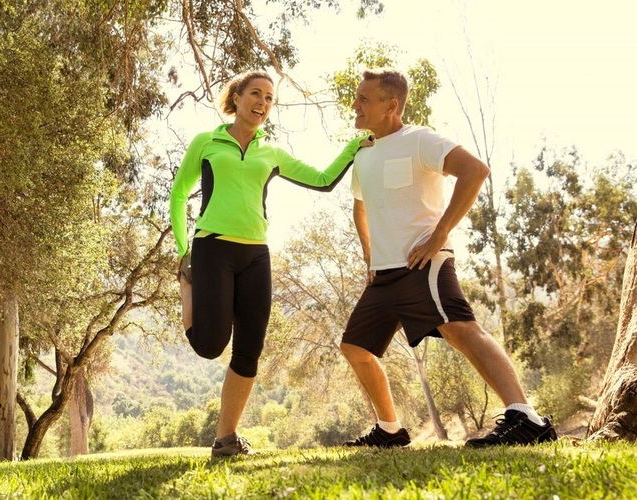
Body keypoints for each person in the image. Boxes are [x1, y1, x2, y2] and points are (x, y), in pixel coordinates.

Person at [338, 69, 557, 448]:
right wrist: (368, 253)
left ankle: (528, 418)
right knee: (355, 347)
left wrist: (439, 234)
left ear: (391, 105)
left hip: (423, 264)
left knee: (460, 329)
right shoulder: (363, 153)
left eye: (363, 99)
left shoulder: (419, 139)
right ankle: (390, 430)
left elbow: (475, 171)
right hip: (384, 273)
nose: (354, 105)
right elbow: (360, 207)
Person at [170, 70, 370, 458]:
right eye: (255, 94)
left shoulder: (271, 152)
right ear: (237, 97)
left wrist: (354, 146)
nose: (262, 103)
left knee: (250, 348)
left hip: (256, 255)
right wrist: (183, 250)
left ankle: (225, 439)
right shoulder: (207, 143)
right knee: (210, 346)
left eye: (269, 99)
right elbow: (179, 195)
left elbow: (324, 179)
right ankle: (186, 289)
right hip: (212, 248)